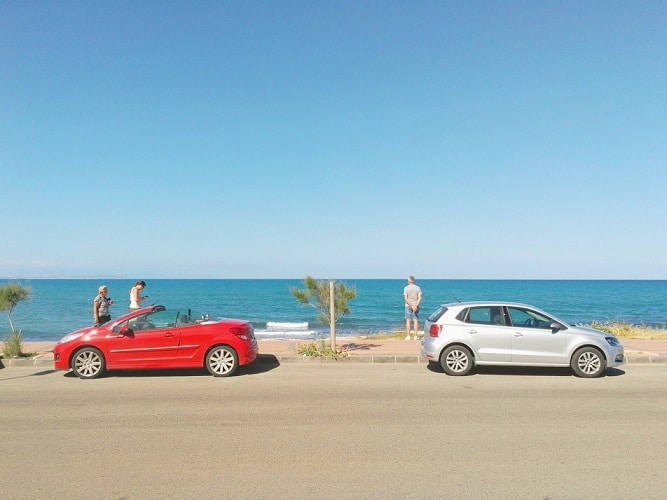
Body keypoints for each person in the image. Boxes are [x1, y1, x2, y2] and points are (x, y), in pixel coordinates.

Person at [403, 276, 422, 340]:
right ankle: (415, 336)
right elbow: (419, 298)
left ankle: (408, 336)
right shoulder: (418, 288)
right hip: (415, 305)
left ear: (409, 281)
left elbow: (406, 298)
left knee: (408, 320)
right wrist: (415, 306)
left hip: (408, 306)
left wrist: (411, 306)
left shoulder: (406, 288)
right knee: (415, 321)